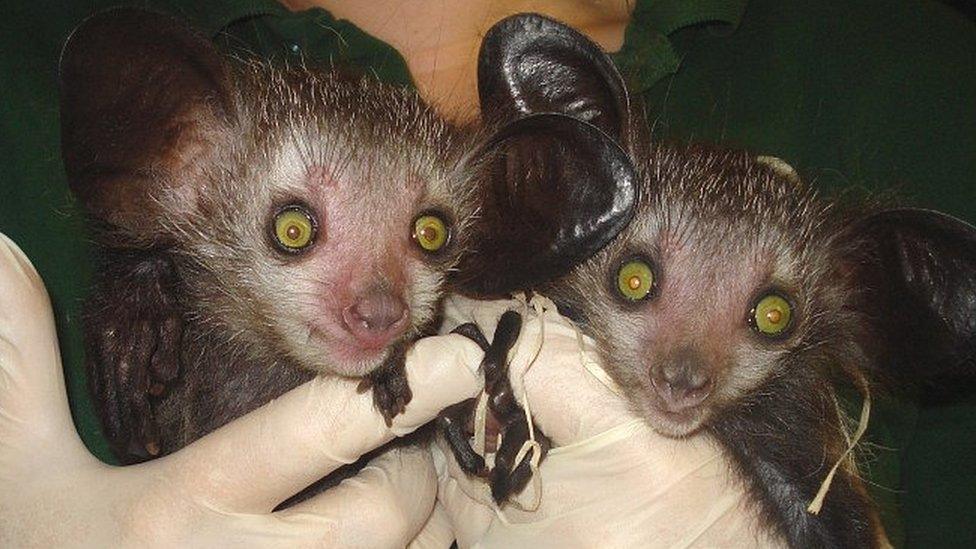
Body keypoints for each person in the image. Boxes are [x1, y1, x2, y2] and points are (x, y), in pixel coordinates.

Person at [2, 0, 974, 545]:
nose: (383, 298)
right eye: (298, 226)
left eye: (430, 235)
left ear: (515, 224)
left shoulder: (899, 69)